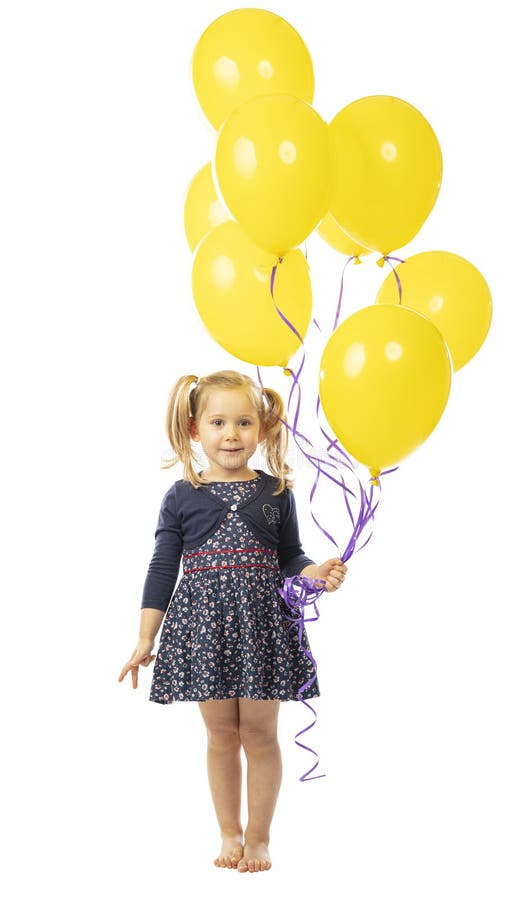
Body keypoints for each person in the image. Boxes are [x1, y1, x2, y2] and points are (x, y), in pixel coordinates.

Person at [118, 369, 347, 873]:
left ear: (262, 428)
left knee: (261, 735)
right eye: (218, 422)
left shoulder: (276, 491)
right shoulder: (181, 495)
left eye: (244, 422)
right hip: (205, 629)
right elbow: (162, 567)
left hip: (263, 626)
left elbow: (290, 556)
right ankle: (230, 831)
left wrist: (314, 574)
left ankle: (260, 838)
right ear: (195, 429)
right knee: (221, 734)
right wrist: (143, 637)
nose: (231, 434)